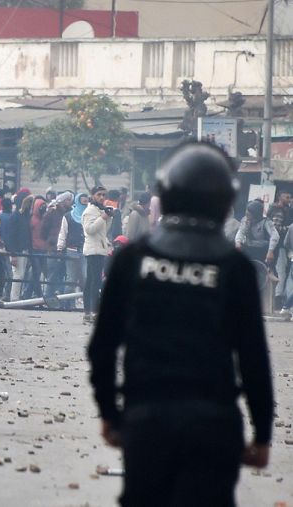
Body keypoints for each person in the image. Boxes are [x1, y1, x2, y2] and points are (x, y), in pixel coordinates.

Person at [88, 141, 274, 507]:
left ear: (167, 196)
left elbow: (103, 344)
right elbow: (253, 357)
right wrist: (262, 435)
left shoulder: (133, 257)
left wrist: (110, 414)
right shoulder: (234, 268)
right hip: (214, 423)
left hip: (147, 419)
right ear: (225, 204)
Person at [82, 186, 113, 322]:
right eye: (99, 194)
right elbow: (90, 229)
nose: (102, 197)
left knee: (91, 282)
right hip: (93, 250)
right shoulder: (90, 211)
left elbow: (103, 231)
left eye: (104, 195)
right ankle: (93, 312)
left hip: (99, 249)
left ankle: (88, 313)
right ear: (93, 195)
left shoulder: (98, 210)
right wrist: (103, 217)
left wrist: (107, 217)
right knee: (95, 282)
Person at [57, 193, 88, 304]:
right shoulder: (68, 216)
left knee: (86, 277)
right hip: (71, 250)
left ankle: (87, 304)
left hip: (86, 250)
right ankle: (66, 303)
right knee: (71, 279)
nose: (85, 204)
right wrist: (60, 247)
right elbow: (63, 233)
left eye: (86, 202)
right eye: (82, 201)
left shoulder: (89, 216)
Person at [235, 200, 279, 265]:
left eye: (249, 215)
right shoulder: (245, 220)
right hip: (249, 248)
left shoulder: (266, 222)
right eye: (246, 214)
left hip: (263, 250)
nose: (247, 216)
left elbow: (275, 236)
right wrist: (238, 242)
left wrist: (270, 251)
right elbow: (241, 231)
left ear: (255, 214)